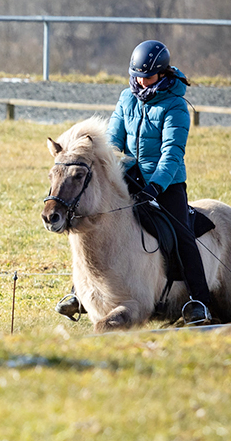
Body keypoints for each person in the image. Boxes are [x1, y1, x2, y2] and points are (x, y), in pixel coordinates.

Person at [55, 39, 214, 325]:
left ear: (163, 74)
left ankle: (198, 300)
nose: (141, 81)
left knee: (181, 234)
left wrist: (155, 186)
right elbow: (114, 142)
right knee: (94, 222)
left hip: (166, 183)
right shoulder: (127, 97)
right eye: (137, 75)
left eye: (148, 76)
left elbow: (172, 154)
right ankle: (78, 292)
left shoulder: (176, 106)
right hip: (128, 177)